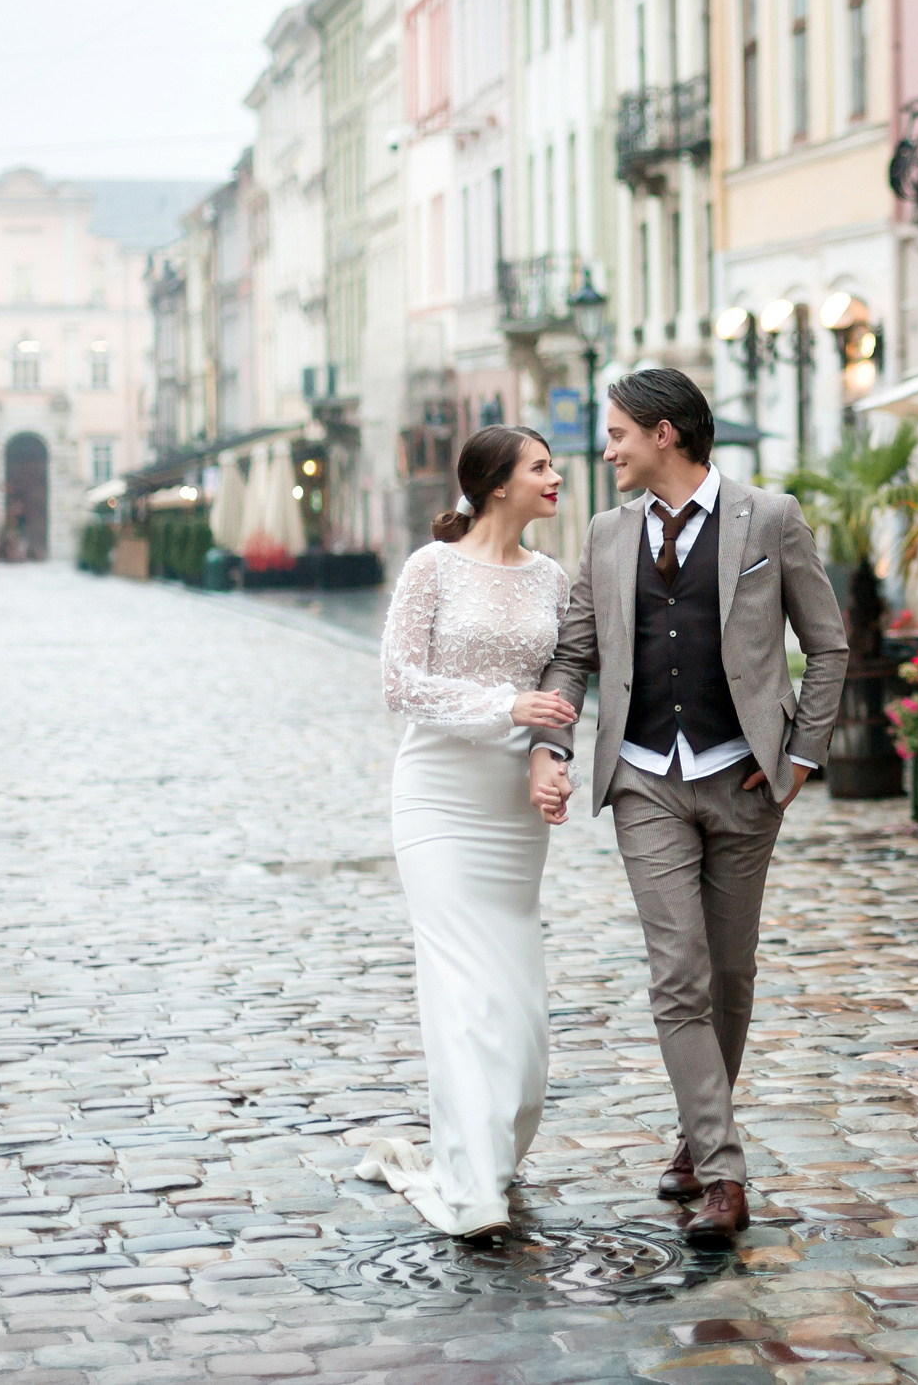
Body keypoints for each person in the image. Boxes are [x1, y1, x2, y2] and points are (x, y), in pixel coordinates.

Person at [529, 368, 847, 1246]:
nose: (607, 450)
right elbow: (576, 653)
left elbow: (829, 646)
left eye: (619, 434)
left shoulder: (770, 519)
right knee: (680, 975)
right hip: (643, 777)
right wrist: (551, 744)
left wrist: (799, 759)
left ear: (665, 433)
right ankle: (722, 1173)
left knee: (731, 976)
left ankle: (692, 1134)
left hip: (744, 778)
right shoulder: (606, 532)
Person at [356, 426, 579, 1239]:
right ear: (494, 486)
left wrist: (551, 757)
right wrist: (503, 708)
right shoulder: (431, 568)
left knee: (518, 1005)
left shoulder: (553, 579)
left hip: (514, 812)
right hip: (438, 798)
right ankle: (473, 1179)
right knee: (460, 987)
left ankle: (496, 1148)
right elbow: (398, 683)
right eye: (541, 467)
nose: (557, 476)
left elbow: (563, 685)